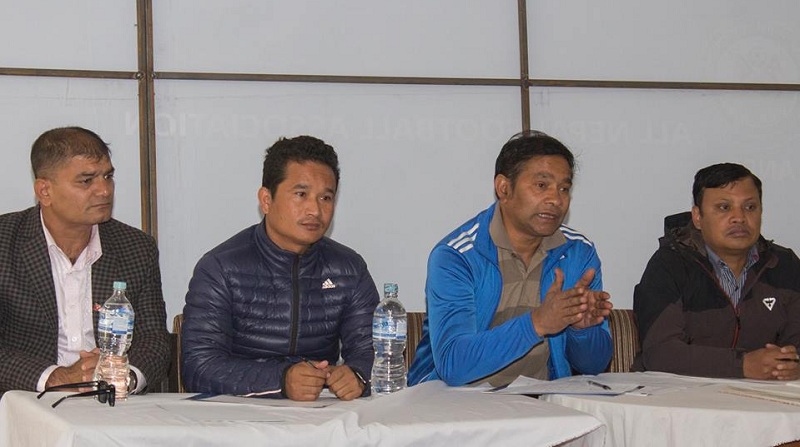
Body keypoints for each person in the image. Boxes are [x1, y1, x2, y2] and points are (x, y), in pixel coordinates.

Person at [408, 130, 613, 387]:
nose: (556, 199)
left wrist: (582, 331)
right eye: (542, 185)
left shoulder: (578, 253)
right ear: (504, 188)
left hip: (541, 399)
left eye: (564, 188)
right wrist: (537, 323)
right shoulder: (457, 256)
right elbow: (453, 364)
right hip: (457, 401)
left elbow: (594, 366)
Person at [181, 135, 379, 401]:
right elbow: (199, 367)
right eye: (301, 194)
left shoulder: (349, 269)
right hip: (237, 415)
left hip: (321, 415)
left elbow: (374, 352)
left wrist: (357, 375)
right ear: (266, 200)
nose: (315, 210)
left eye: (326, 197)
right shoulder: (220, 268)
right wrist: (281, 380)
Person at [0, 126, 170, 396]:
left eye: (108, 176)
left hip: (111, 404)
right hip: (22, 400)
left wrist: (124, 376)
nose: (104, 191)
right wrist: (56, 377)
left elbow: (154, 339)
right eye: (86, 181)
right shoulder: (4, 242)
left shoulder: (136, 247)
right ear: (44, 191)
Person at [633, 163, 800, 380]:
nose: (739, 218)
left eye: (750, 207)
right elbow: (660, 353)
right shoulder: (670, 265)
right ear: (697, 217)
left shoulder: (784, 265)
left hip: (761, 396)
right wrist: (742, 365)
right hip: (677, 394)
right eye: (724, 207)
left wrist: (792, 364)